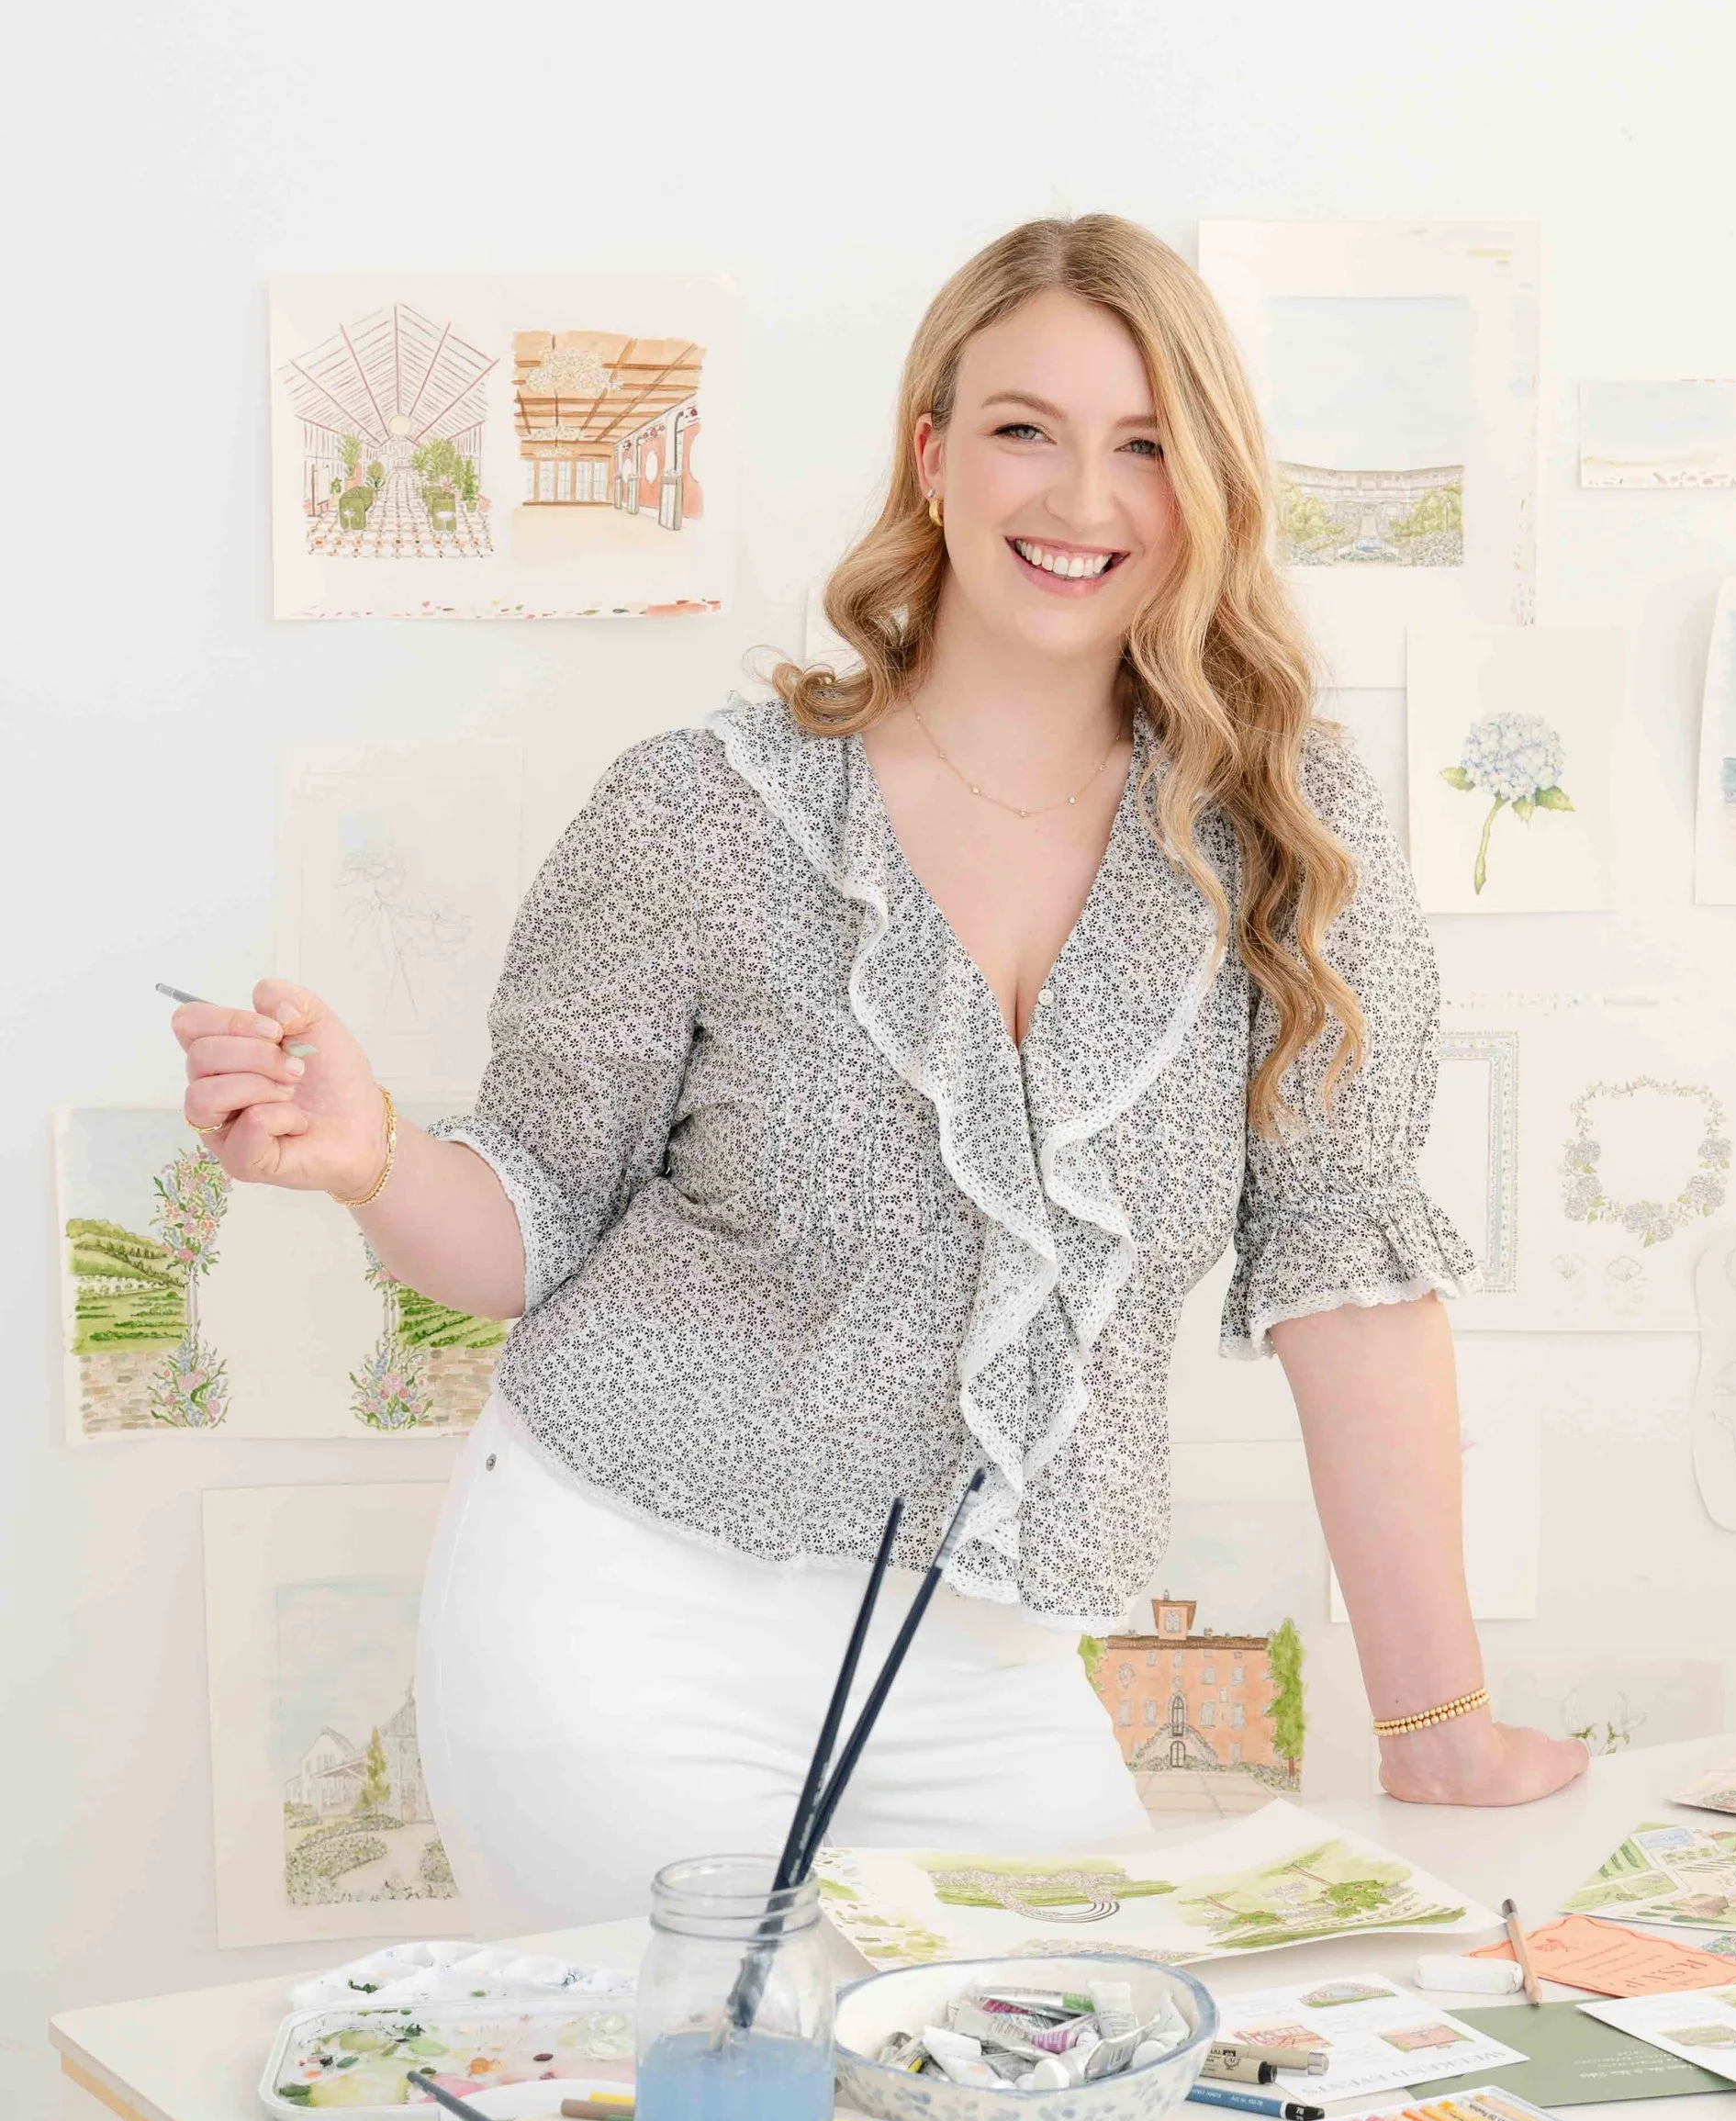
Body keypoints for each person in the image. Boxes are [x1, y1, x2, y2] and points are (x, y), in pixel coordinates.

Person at [174, 216, 1586, 1925]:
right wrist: (374, 1150)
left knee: (1070, 2094)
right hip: (622, 1615)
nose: (1082, 502)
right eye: (1024, 431)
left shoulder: (1290, 839)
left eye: (1146, 446)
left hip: (982, 1662)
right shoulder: (706, 810)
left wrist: (1432, 1724)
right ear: (931, 453)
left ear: (1209, 484)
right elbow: (530, 1222)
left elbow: (1351, 1284)